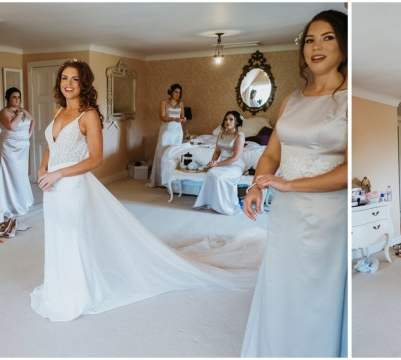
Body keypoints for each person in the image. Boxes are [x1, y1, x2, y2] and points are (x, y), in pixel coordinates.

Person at [30, 59, 263, 322]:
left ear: (83, 83)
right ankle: (58, 285)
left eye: (74, 79)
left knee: (73, 237)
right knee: (57, 234)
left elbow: (95, 159)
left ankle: (76, 293)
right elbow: (52, 145)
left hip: (71, 186)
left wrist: (59, 173)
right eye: (64, 78)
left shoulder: (89, 115)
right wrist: (42, 168)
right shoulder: (57, 111)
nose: (68, 84)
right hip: (51, 187)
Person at [240, 9, 348, 357]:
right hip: (286, 210)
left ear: (344, 45)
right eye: (310, 40)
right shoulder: (292, 98)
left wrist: (291, 186)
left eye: (327, 37)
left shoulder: (351, 99)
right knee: (283, 282)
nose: (316, 47)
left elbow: (351, 168)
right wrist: (257, 185)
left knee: (317, 288)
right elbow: (271, 155)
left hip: (327, 213)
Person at [0, 87, 35, 237]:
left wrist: (27, 136)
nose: (17, 100)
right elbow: (11, 126)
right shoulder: (4, 112)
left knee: (21, 176)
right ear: (7, 99)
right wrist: (18, 114)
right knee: (10, 176)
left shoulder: (23, 110)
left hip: (22, 148)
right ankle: (9, 207)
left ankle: (20, 204)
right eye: (14, 97)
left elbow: (32, 120)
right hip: (8, 148)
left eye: (19, 97)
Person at [193, 111, 246, 215]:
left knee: (220, 177)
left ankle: (222, 206)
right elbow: (217, 151)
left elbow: (235, 157)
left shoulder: (239, 136)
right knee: (210, 173)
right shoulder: (221, 134)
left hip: (235, 165)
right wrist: (212, 162)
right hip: (223, 163)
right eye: (226, 119)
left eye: (231, 119)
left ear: (236, 122)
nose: (228, 121)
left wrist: (217, 165)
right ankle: (209, 202)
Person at [148, 84, 186, 188]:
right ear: (171, 92)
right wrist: (174, 119)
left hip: (178, 131)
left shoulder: (181, 104)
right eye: (175, 92)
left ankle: (172, 180)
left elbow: (182, 116)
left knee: (175, 154)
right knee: (162, 152)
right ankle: (160, 180)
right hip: (167, 130)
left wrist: (183, 119)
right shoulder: (164, 102)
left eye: (179, 92)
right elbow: (162, 117)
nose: (178, 94)